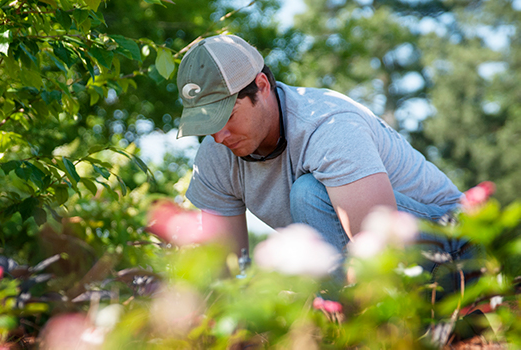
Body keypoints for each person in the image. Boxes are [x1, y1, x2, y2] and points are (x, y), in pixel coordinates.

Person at [175, 34, 476, 288]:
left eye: (226, 116)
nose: (218, 136)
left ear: (262, 85)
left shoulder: (328, 125)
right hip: (389, 260)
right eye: (207, 125)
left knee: (309, 193)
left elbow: (378, 248)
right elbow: (226, 270)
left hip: (456, 248)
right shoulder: (215, 157)